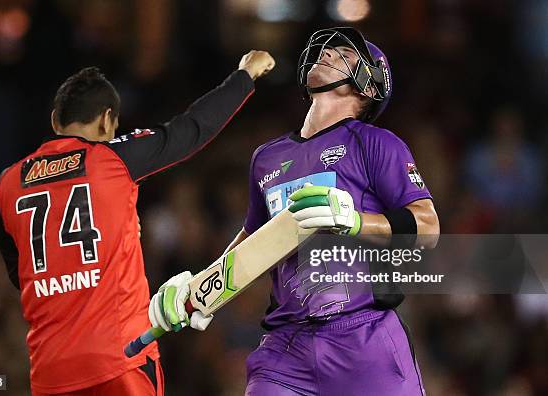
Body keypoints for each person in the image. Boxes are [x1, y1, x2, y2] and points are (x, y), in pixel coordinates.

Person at [149, 27, 440, 395]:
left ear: (368, 87)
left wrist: (353, 222)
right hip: (286, 347)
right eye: (327, 50)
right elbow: (253, 242)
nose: (328, 54)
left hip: (366, 338)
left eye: (344, 55)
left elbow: (429, 228)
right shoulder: (266, 157)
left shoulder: (377, 144)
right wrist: (198, 292)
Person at [0, 50, 275, 396]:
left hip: (51, 371)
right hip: (120, 360)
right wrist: (244, 75)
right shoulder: (112, 158)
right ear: (106, 121)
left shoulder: (8, 182)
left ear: (55, 121)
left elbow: (19, 274)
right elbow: (191, 129)